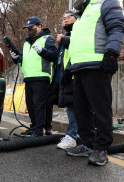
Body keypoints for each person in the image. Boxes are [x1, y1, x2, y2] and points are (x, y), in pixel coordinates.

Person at [65, 0, 124, 166]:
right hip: (79, 68)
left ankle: (101, 149)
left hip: (96, 67)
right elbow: (78, 43)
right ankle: (86, 144)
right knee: (81, 109)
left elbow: (116, 28)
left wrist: (112, 53)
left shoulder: (105, 4)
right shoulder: (81, 16)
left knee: (100, 109)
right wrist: (70, 67)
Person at [10, 16, 58, 137]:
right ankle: (34, 127)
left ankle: (38, 130)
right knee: (31, 105)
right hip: (29, 78)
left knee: (39, 105)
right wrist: (16, 58)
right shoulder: (26, 43)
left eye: (32, 27)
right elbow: (22, 59)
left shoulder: (47, 39)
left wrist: (43, 51)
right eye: (28, 28)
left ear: (39, 26)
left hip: (41, 77)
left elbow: (54, 56)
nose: (29, 30)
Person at [46, 11, 79, 149]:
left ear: (76, 18)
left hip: (74, 76)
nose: (64, 20)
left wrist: (66, 41)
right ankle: (74, 134)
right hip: (65, 78)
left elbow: (80, 46)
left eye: (68, 17)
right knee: (69, 107)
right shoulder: (66, 37)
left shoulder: (78, 33)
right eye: (63, 18)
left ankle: (72, 136)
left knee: (73, 108)